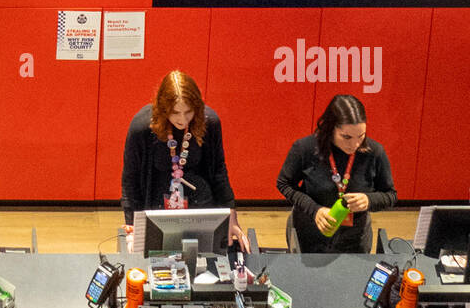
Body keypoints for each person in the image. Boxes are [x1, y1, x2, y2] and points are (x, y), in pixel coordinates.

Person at [121, 71, 248, 251]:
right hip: (157, 212)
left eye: (188, 112)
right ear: (163, 108)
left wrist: (230, 214)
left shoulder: (208, 122)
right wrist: (133, 229)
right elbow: (130, 181)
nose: (182, 119)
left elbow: (219, 172)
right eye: (175, 113)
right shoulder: (141, 127)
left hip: (200, 209)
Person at [276, 94, 396, 254]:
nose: (354, 144)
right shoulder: (305, 148)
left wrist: (369, 200)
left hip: (354, 239)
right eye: (346, 137)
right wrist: (315, 210)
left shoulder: (375, 152)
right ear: (331, 128)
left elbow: (390, 195)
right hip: (309, 233)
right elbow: (284, 184)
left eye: (361, 136)